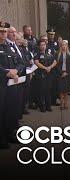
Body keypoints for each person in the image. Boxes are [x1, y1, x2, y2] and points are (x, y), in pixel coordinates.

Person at [0, 21, 22, 149]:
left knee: (10, 110)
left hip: (11, 85)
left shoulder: (9, 47)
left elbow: (20, 62)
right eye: (1, 31)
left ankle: (9, 134)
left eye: (4, 32)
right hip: (1, 85)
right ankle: (2, 139)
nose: (3, 34)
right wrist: (7, 72)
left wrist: (16, 71)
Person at [34, 40, 57, 112]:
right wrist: (45, 68)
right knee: (42, 91)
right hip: (41, 75)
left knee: (48, 90)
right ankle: (42, 106)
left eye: (44, 45)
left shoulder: (49, 54)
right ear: (39, 46)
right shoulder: (37, 54)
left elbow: (55, 61)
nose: (43, 46)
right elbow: (36, 62)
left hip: (49, 75)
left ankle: (48, 106)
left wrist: (50, 67)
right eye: (41, 45)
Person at [55, 40, 70, 110]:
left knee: (66, 90)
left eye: (65, 45)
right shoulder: (57, 54)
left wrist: (67, 72)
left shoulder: (69, 54)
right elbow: (56, 65)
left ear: (67, 46)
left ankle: (66, 103)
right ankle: (61, 103)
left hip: (67, 74)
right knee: (61, 90)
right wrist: (61, 72)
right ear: (61, 46)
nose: (63, 46)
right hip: (60, 74)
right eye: (62, 45)